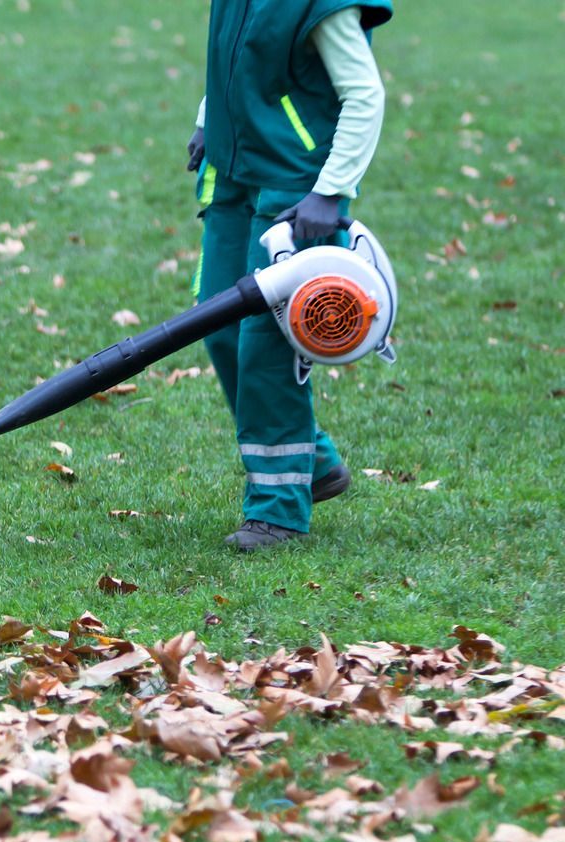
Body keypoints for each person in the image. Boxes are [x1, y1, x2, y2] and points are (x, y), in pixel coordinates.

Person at [187, 0, 393, 550]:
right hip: (233, 172)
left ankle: (277, 509)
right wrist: (211, 121)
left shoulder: (321, 5)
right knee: (218, 323)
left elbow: (364, 94)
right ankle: (317, 463)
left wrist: (330, 191)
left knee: (266, 345)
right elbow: (238, 61)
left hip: (295, 188)